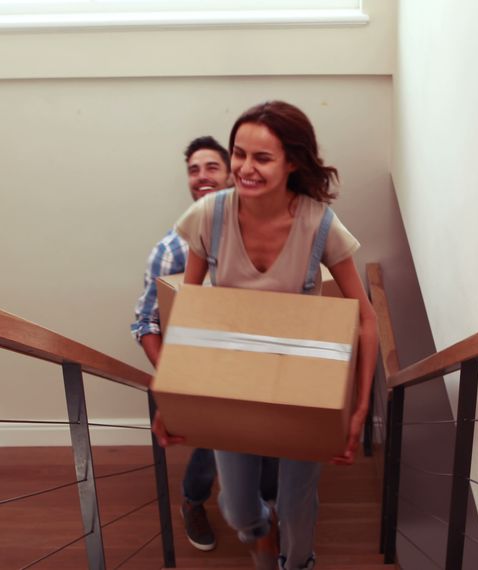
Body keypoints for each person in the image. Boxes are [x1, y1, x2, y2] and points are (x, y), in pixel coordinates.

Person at [151, 101, 378, 570]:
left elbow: (364, 318)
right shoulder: (208, 216)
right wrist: (173, 400)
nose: (244, 169)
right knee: (235, 506)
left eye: (262, 158)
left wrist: (358, 410)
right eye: (239, 154)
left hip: (301, 387)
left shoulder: (320, 224)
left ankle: (297, 563)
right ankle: (259, 534)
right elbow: (188, 311)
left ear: (292, 161)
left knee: (298, 505)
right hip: (230, 380)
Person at [131, 136, 234, 552]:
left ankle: (260, 511)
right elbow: (145, 322)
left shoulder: (262, 235)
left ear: (230, 174)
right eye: (194, 170)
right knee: (211, 446)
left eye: (211, 167)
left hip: (254, 365)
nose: (202, 176)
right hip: (200, 370)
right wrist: (173, 378)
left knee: (262, 445)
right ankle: (193, 501)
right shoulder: (171, 249)